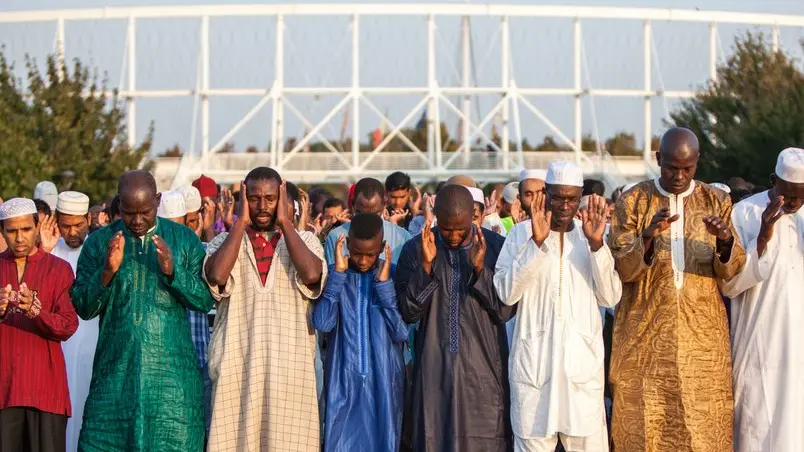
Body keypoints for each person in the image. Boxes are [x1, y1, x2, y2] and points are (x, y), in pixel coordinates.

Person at [607, 127, 746, 452]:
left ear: (697, 161)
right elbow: (621, 271)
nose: (680, 175)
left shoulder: (717, 200)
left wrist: (725, 241)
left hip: (703, 349)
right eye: (672, 167)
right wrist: (648, 237)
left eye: (688, 168)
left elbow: (732, 272)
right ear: (658, 159)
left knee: (703, 434)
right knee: (645, 433)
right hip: (644, 347)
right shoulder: (633, 201)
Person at [71, 170, 214, 452]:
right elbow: (83, 307)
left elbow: (205, 300)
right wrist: (107, 272)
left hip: (172, 383)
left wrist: (174, 273)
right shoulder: (99, 243)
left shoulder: (184, 240)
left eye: (145, 212)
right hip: (114, 378)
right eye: (128, 212)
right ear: (118, 205)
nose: (136, 221)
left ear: (158, 201)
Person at [494, 162, 621, 452]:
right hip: (535, 372)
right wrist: (536, 244)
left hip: (581, 376)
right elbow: (505, 293)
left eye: (572, 198)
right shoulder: (520, 234)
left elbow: (611, 297)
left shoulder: (592, 236)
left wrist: (597, 246)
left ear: (580, 198)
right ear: (545, 194)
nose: (565, 206)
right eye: (558, 197)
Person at [203, 167, 327, 452]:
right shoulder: (224, 242)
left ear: (282, 198)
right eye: (254, 198)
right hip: (238, 371)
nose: (262, 206)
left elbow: (311, 275)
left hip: (290, 374)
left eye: (270, 198)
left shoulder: (305, 241)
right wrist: (240, 221)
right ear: (244, 197)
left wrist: (285, 222)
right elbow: (218, 276)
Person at [395, 184, 515, 451]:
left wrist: (480, 269)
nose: (453, 235)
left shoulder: (496, 247)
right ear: (436, 216)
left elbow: (505, 310)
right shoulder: (415, 249)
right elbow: (408, 312)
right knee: (433, 438)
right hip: (434, 371)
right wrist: (426, 267)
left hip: (484, 371)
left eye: (461, 228)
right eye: (447, 228)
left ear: (474, 215)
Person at [720, 147, 804, 452]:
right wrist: (764, 235)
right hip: (758, 347)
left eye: (801, 195)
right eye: (788, 194)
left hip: (798, 355)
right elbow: (730, 285)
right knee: (756, 431)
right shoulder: (744, 214)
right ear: (773, 181)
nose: (794, 202)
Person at [313, 213, 408, 452]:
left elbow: (401, 332)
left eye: (370, 254)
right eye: (357, 253)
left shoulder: (393, 275)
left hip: (383, 379)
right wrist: (338, 277)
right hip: (342, 380)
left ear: (383, 247)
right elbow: (323, 323)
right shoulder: (336, 274)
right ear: (346, 244)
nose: (364, 260)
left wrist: (384, 286)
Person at [0, 198, 78, 452]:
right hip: (4, 390)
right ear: (2, 232)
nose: (19, 238)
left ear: (37, 227)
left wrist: (38, 312)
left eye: (25, 229)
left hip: (45, 390)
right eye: (11, 231)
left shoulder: (59, 269)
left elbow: (68, 325)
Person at [161, 185, 214, 442]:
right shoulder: (149, 254)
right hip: (164, 363)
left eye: (179, 225)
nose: (175, 233)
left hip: (198, 359)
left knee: (199, 431)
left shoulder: (201, 251)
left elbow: (205, 298)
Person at [50, 191, 99, 452]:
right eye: (65, 225)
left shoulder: (99, 250)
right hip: (58, 350)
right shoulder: (49, 252)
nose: (71, 232)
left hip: (93, 344)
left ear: (88, 219)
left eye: (77, 225)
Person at [325, 177, 411, 265]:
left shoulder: (402, 237)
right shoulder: (335, 237)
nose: (368, 220)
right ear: (353, 204)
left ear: (384, 204)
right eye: (362, 214)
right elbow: (334, 275)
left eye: (374, 214)